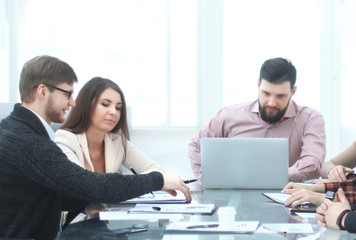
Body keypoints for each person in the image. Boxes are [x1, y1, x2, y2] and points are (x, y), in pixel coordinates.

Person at [0, 55, 191, 239]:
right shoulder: (31, 143)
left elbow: (64, 194)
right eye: (67, 94)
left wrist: (120, 192)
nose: (72, 102)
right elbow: (88, 186)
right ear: (42, 92)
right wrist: (157, 181)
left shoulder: (14, 130)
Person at [188, 57, 326, 187]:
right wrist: (205, 181)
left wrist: (272, 177)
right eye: (266, 93)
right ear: (258, 85)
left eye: (280, 96)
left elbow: (313, 164)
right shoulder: (230, 116)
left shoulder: (310, 119)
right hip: (234, 199)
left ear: (293, 91)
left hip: (286, 198)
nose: (272, 102)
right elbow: (196, 144)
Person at [54, 77, 166, 221]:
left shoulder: (116, 140)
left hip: (102, 225)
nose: (113, 112)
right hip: (70, 226)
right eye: (105, 104)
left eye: (118, 107)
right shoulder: (64, 139)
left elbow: (157, 170)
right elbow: (86, 188)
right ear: (86, 106)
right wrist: (123, 182)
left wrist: (130, 182)